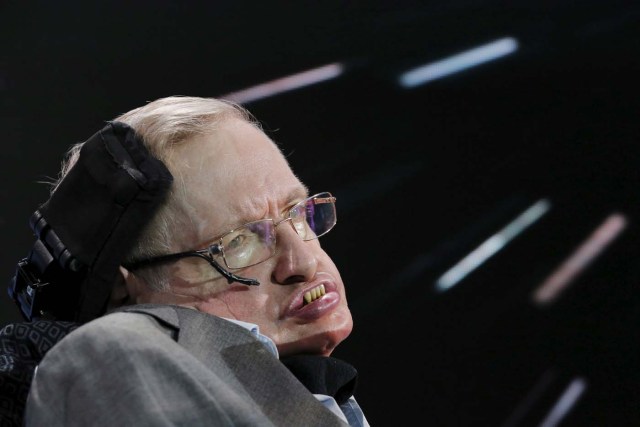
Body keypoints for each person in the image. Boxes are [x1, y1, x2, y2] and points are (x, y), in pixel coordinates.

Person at [22, 95, 370, 426]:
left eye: (297, 213)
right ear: (124, 291)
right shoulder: (112, 353)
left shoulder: (296, 391)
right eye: (239, 242)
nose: (304, 262)